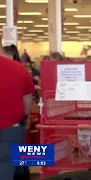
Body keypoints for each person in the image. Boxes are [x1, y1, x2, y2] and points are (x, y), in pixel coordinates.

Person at [0, 42, 35, 180]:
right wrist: (26, 117)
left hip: (12, 129)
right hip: (12, 129)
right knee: (7, 169)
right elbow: (27, 98)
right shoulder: (19, 68)